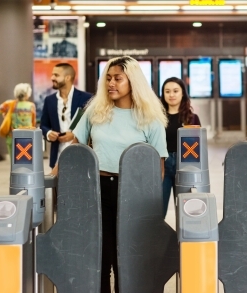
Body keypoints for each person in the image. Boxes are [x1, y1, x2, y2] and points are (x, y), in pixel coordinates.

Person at [52, 56, 168, 293]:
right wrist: (54, 172)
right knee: (100, 255)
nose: (111, 83)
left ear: (132, 81)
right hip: (97, 189)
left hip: (134, 194)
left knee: (127, 255)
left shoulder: (151, 118)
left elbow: (158, 166)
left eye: (117, 78)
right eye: (108, 78)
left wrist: (150, 204)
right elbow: (75, 147)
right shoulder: (95, 111)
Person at [160, 77, 201, 217]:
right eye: (167, 91)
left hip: (185, 165)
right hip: (162, 165)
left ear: (182, 93)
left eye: (175, 91)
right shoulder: (157, 117)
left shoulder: (192, 118)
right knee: (158, 210)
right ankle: (157, 239)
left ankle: (183, 238)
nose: (171, 95)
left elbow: (197, 147)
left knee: (185, 211)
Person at [40, 63, 92, 169]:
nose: (52, 78)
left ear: (67, 77)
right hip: (57, 157)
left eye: (56, 75)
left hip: (80, 156)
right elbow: (43, 125)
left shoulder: (87, 98)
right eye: (52, 75)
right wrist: (49, 133)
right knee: (56, 185)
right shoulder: (49, 100)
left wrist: (74, 135)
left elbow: (92, 126)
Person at [0, 83, 36, 156]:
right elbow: (33, 122)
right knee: (27, 160)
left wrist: (5, 114)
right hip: (27, 137)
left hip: (12, 137)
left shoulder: (9, 104)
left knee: (13, 162)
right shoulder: (31, 106)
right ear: (27, 94)